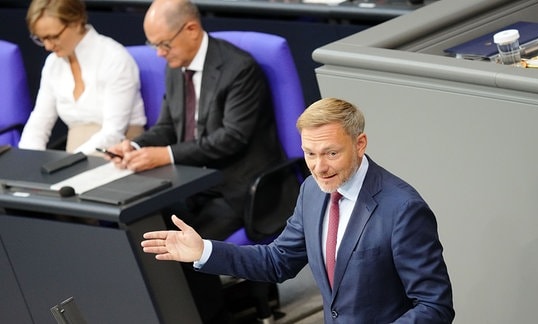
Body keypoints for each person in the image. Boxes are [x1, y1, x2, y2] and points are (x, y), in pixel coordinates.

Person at [141, 98, 456, 323]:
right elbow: (278, 262)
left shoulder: (403, 209)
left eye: (331, 153)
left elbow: (434, 305)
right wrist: (204, 251)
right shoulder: (311, 191)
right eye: (309, 153)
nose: (320, 167)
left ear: (360, 144)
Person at [107, 0, 286, 322]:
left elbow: (232, 138)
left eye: (163, 44)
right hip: (193, 182)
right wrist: (133, 145)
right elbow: (167, 126)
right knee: (147, 229)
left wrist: (167, 155)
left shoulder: (238, 68)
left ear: (191, 29)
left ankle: (210, 317)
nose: (159, 53)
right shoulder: (176, 66)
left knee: (180, 246)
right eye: (154, 45)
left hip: (239, 187)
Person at [19, 0, 146, 155]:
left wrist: (68, 164)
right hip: (75, 154)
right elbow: (39, 121)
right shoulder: (53, 63)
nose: (48, 46)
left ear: (77, 22)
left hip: (120, 152)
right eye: (41, 39)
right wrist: (27, 160)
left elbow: (113, 132)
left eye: (53, 37)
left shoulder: (114, 58)